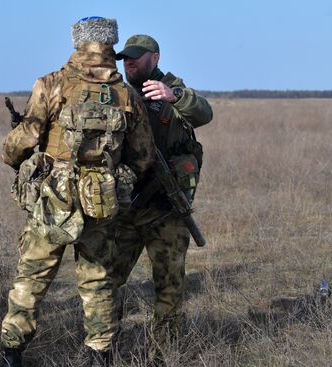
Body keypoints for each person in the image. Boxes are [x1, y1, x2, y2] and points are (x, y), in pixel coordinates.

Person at [0, 17, 156, 367]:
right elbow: (143, 156)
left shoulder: (52, 83)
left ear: (76, 42)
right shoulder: (126, 94)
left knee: (33, 275)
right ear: (111, 43)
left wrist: (16, 158)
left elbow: (22, 142)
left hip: (54, 199)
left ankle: (12, 351)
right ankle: (100, 352)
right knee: (98, 278)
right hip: (102, 199)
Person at [112, 34, 213, 347]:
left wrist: (174, 96)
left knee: (169, 286)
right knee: (107, 279)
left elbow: (204, 113)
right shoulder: (118, 93)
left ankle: (166, 352)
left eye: (136, 57)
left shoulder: (172, 90)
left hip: (165, 209)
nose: (129, 63)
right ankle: (104, 346)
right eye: (125, 58)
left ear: (154, 58)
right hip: (125, 207)